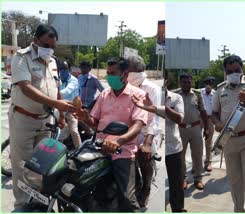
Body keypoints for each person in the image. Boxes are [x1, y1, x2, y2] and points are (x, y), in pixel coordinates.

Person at [9, 24, 77, 211]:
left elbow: (57, 90)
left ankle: (39, 202)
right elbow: (25, 86)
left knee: (42, 165)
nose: (50, 49)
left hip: (46, 120)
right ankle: (22, 205)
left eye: (53, 46)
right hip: (23, 119)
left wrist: (61, 114)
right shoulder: (21, 57)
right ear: (35, 40)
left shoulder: (53, 61)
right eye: (47, 44)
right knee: (22, 165)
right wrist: (57, 105)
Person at [76, 57, 147, 212]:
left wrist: (118, 142)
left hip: (122, 151)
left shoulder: (137, 95)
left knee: (127, 199)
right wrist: (84, 117)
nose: (109, 77)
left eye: (113, 73)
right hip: (98, 147)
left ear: (125, 74)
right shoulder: (104, 94)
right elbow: (94, 122)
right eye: (108, 73)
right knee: (76, 179)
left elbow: (137, 125)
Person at [211, 55, 245, 212]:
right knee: (235, 182)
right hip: (228, 141)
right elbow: (213, 113)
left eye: (237, 70)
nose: (234, 73)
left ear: (242, 69)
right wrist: (217, 123)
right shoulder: (220, 89)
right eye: (229, 71)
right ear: (225, 71)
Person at [131, 80, 186, 212]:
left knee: (176, 184)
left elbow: (179, 119)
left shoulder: (176, 98)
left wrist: (158, 108)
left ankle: (177, 209)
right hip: (146, 135)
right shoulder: (149, 93)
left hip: (173, 147)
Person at [126, 55, 161, 208]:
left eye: (128, 69)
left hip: (147, 132)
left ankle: (146, 187)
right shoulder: (125, 85)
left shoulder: (152, 89)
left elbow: (154, 119)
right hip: (129, 129)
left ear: (138, 70)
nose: (125, 72)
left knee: (144, 154)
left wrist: (147, 143)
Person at [173, 73, 209, 190]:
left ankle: (198, 178)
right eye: (184, 82)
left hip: (195, 128)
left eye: (189, 82)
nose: (187, 84)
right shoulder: (174, 94)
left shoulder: (197, 94)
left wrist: (207, 128)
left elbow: (203, 112)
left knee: (197, 154)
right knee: (180, 155)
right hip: (180, 129)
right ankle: (183, 178)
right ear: (180, 83)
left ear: (191, 82)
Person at [59, 60, 81, 148]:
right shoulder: (58, 79)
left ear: (69, 69)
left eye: (65, 69)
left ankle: (79, 149)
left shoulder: (73, 80)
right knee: (54, 129)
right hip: (59, 107)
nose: (62, 71)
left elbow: (67, 91)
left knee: (74, 131)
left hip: (72, 108)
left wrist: (52, 96)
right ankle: (56, 148)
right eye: (61, 69)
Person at [200, 76, 216, 172]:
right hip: (200, 118)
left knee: (209, 142)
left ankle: (208, 162)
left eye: (210, 84)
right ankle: (196, 163)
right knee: (197, 141)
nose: (208, 86)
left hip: (210, 119)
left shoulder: (215, 94)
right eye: (206, 84)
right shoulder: (199, 93)